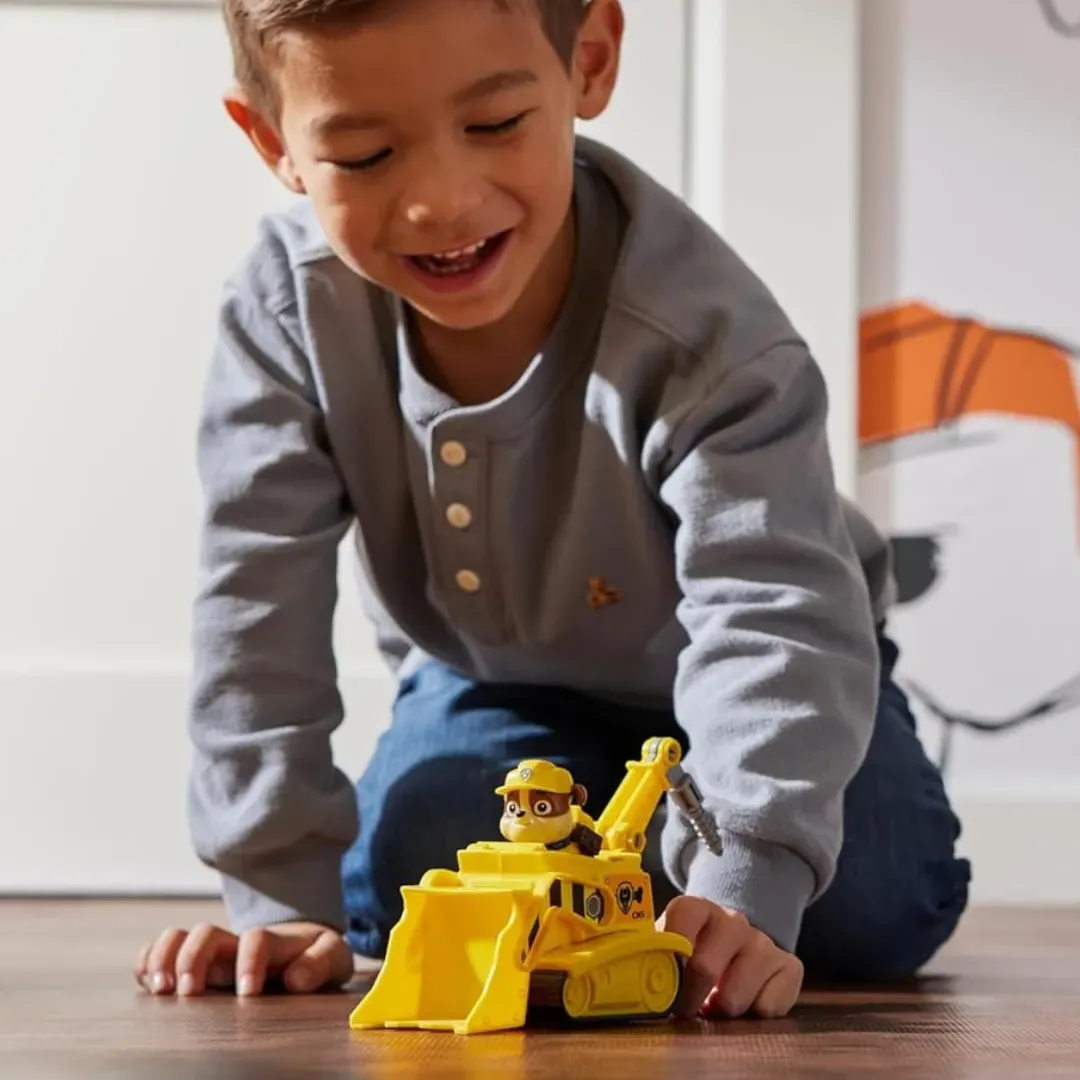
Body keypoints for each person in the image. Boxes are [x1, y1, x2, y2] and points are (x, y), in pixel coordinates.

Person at [134, 0, 971, 1019]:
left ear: (590, 58)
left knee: (877, 902)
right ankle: (628, 855)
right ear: (275, 142)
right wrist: (277, 897)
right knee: (412, 866)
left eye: (493, 125)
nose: (440, 203)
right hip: (498, 682)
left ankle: (684, 847)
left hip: (763, 667)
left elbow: (774, 606)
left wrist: (745, 881)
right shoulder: (285, 312)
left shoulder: (706, 332)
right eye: (364, 155)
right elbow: (254, 610)